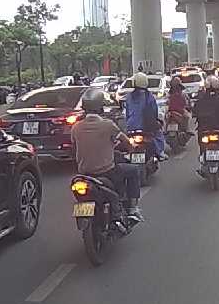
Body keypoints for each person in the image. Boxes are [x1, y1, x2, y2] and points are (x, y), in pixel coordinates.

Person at [71, 92, 143, 222]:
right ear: (101, 107)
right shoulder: (108, 125)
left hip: (84, 174)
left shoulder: (76, 128)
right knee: (134, 170)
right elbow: (126, 142)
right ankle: (133, 208)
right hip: (107, 172)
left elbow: (75, 148)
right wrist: (131, 149)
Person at [124, 72, 167, 161]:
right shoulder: (149, 96)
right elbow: (154, 112)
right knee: (158, 133)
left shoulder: (129, 96)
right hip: (146, 126)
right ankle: (160, 153)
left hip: (130, 127)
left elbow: (127, 113)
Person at [165, 76, 192, 145]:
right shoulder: (182, 94)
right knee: (188, 117)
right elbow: (187, 103)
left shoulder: (172, 94)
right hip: (178, 111)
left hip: (173, 112)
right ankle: (187, 130)